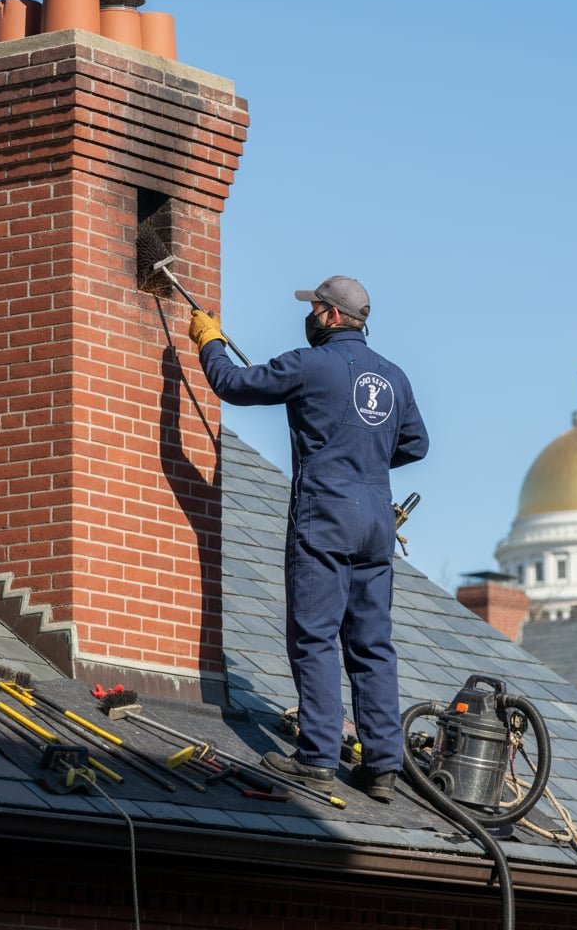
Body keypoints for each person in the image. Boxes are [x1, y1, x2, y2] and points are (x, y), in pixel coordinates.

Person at [188, 275, 429, 802]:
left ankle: (318, 756)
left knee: (315, 634)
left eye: (315, 307)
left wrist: (209, 342)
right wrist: (362, 450)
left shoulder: (309, 363)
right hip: (375, 523)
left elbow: (234, 385)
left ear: (333, 316)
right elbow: (416, 444)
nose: (310, 314)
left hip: (326, 515)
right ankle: (382, 765)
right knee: (372, 644)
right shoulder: (394, 377)